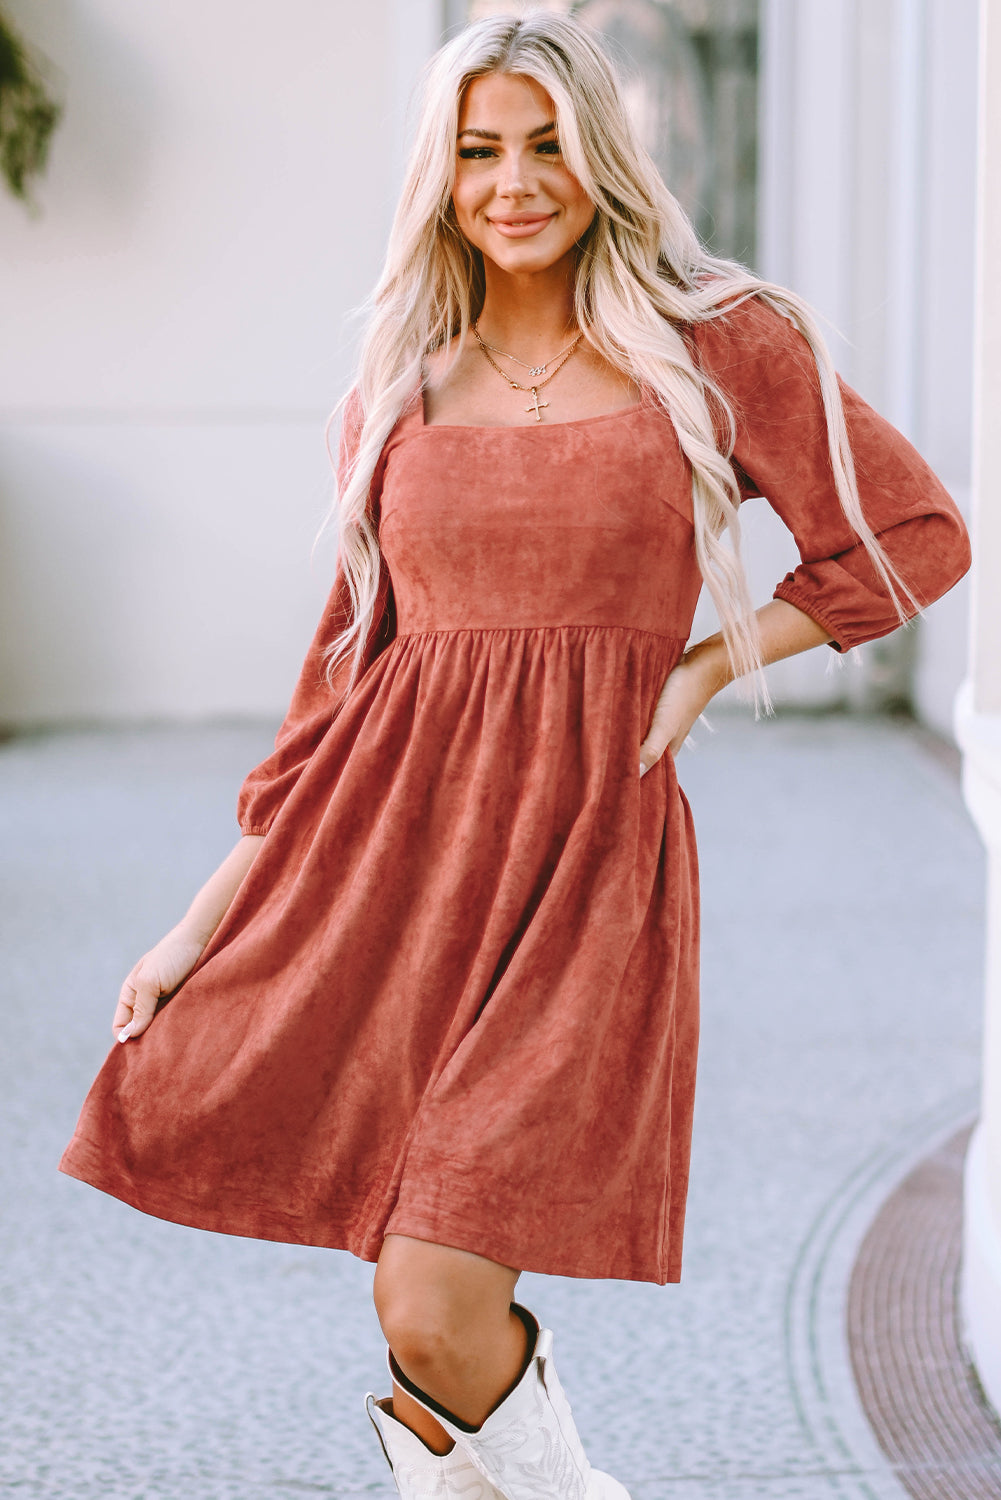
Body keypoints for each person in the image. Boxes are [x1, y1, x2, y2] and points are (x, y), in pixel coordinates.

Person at [59, 12, 971, 1500]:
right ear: (440, 175)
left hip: (584, 870)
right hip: (386, 865)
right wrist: (196, 925)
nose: (514, 180)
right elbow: (335, 688)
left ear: (602, 154)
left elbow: (914, 542)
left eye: (546, 142)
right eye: (478, 149)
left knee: (429, 1293)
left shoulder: (718, 342)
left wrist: (696, 671)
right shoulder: (401, 387)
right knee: (416, 1305)